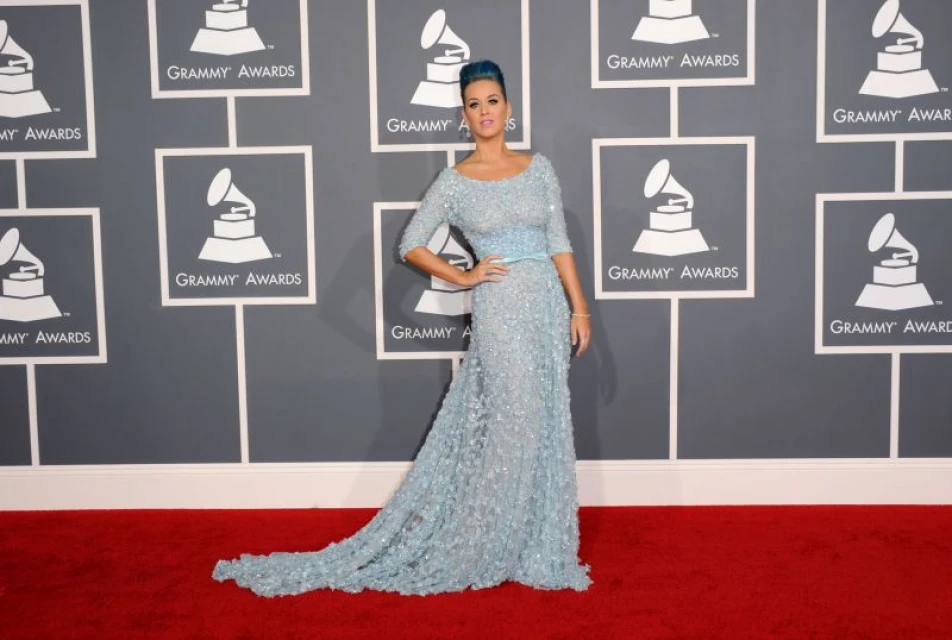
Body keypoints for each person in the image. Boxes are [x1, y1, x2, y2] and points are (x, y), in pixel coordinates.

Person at [212, 59, 592, 597]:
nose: (484, 111)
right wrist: (465, 275)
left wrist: (579, 309)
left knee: (541, 421)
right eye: (474, 104)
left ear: (508, 108)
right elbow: (411, 243)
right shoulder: (455, 182)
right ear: (464, 116)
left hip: (547, 308)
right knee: (513, 421)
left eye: (492, 101)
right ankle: (488, 541)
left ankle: (532, 539)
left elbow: (558, 242)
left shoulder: (539, 169)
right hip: (501, 311)